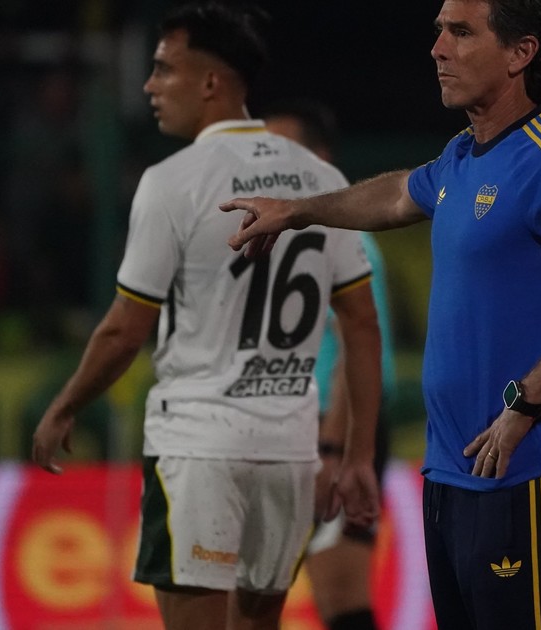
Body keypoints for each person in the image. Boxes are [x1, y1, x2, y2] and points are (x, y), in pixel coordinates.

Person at [220, 1, 541, 627]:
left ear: (520, 53)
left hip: (527, 472)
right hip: (452, 476)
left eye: (461, 32)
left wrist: (526, 401)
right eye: (439, 32)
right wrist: (297, 211)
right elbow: (397, 194)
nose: (438, 49)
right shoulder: (461, 157)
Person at [30, 4, 382, 629]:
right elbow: (361, 322)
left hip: (199, 448)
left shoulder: (174, 180)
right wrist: (356, 457)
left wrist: (65, 405)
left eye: (164, 69)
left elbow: (125, 329)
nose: (150, 86)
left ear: (211, 82)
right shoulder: (321, 176)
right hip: (288, 450)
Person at [262, 98, 396, 630]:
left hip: (331, 431)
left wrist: (335, 449)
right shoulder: (276, 239)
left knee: (340, 591)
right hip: (285, 429)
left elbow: (358, 346)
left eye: (280, 149)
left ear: (319, 159)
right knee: (257, 592)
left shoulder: (345, 237)